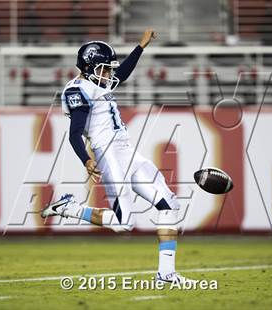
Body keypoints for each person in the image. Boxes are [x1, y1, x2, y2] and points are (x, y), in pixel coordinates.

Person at [41, 29, 194, 284]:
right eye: (104, 69)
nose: (109, 74)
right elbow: (75, 133)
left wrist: (140, 47)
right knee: (125, 223)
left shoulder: (99, 81)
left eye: (108, 69)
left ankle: (166, 274)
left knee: (168, 204)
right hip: (107, 152)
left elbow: (121, 74)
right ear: (89, 68)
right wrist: (86, 160)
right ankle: (69, 208)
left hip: (126, 150)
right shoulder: (78, 90)